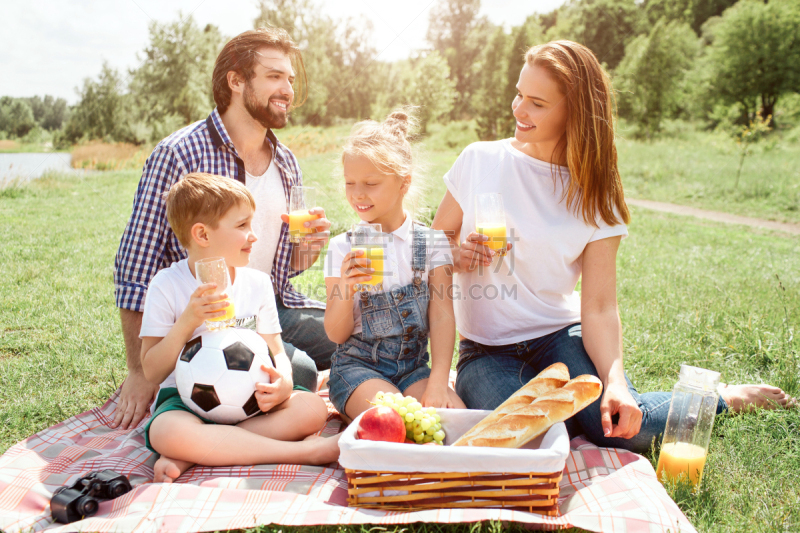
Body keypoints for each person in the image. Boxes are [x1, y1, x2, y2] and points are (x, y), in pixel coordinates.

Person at [432, 40, 795, 454]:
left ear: (574, 111)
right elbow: (434, 243)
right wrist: (456, 254)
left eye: (536, 102)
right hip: (485, 350)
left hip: (559, 336)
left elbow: (601, 306)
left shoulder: (595, 193)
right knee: (526, 437)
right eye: (519, 94)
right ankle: (574, 415)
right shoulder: (479, 159)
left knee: (620, 427)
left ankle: (720, 400)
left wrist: (616, 382)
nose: (518, 109)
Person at [113, 27, 336, 431]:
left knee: (353, 335)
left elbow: (287, 267)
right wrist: (138, 372)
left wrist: (310, 248)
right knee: (299, 370)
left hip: (267, 303)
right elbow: (134, 269)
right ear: (236, 81)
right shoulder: (179, 153)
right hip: (206, 315)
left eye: (289, 78)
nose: (287, 89)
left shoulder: (286, 163)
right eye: (274, 77)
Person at [141, 173, 339, 483]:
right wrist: (188, 322)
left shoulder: (257, 283)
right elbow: (151, 371)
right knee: (166, 432)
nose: (254, 236)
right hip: (186, 401)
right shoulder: (166, 286)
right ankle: (305, 453)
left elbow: (276, 349)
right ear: (202, 235)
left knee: (312, 409)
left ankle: (199, 451)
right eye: (242, 226)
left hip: (253, 402)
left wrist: (285, 381)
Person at [323, 109, 466, 421]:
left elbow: (442, 318)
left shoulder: (432, 244)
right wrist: (346, 291)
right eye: (350, 183)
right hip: (358, 368)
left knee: (455, 421)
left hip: (413, 369)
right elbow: (336, 334)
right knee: (395, 421)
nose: (357, 194)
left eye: (371, 183)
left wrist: (439, 383)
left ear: (404, 182)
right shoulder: (342, 247)